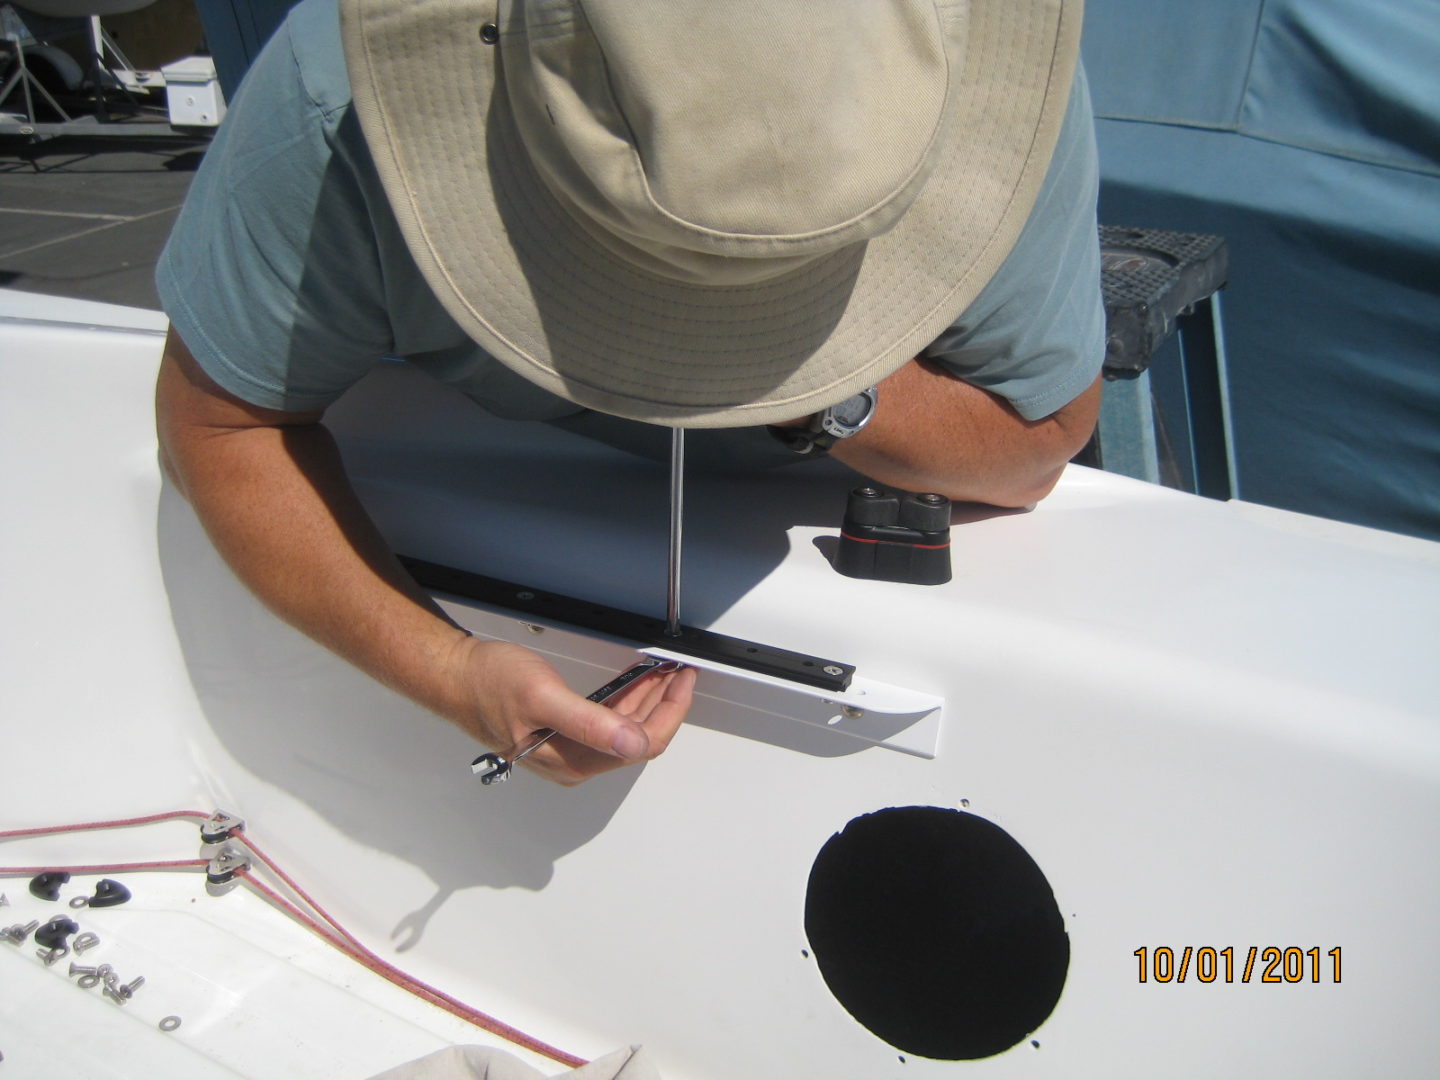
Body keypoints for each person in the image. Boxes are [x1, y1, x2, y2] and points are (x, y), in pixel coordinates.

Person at [154, 0, 1105, 785]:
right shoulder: (342, 105)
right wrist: (450, 671)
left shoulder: (972, 87)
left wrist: (809, 389)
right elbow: (218, 422)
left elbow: (1035, 450)